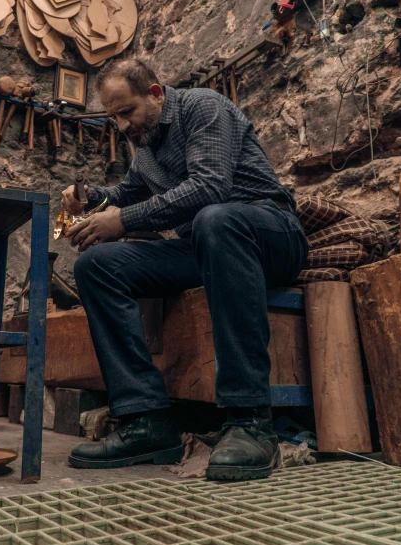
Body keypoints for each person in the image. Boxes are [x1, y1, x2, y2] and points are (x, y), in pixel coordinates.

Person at [61, 58, 308, 480]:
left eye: (127, 112)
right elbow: (128, 191)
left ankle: (249, 421)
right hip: (207, 246)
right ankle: (147, 420)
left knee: (217, 217)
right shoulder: (146, 147)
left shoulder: (203, 107)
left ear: (155, 94)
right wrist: (90, 198)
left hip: (268, 233)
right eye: (113, 116)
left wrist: (122, 221)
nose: (121, 126)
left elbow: (211, 186)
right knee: (96, 265)